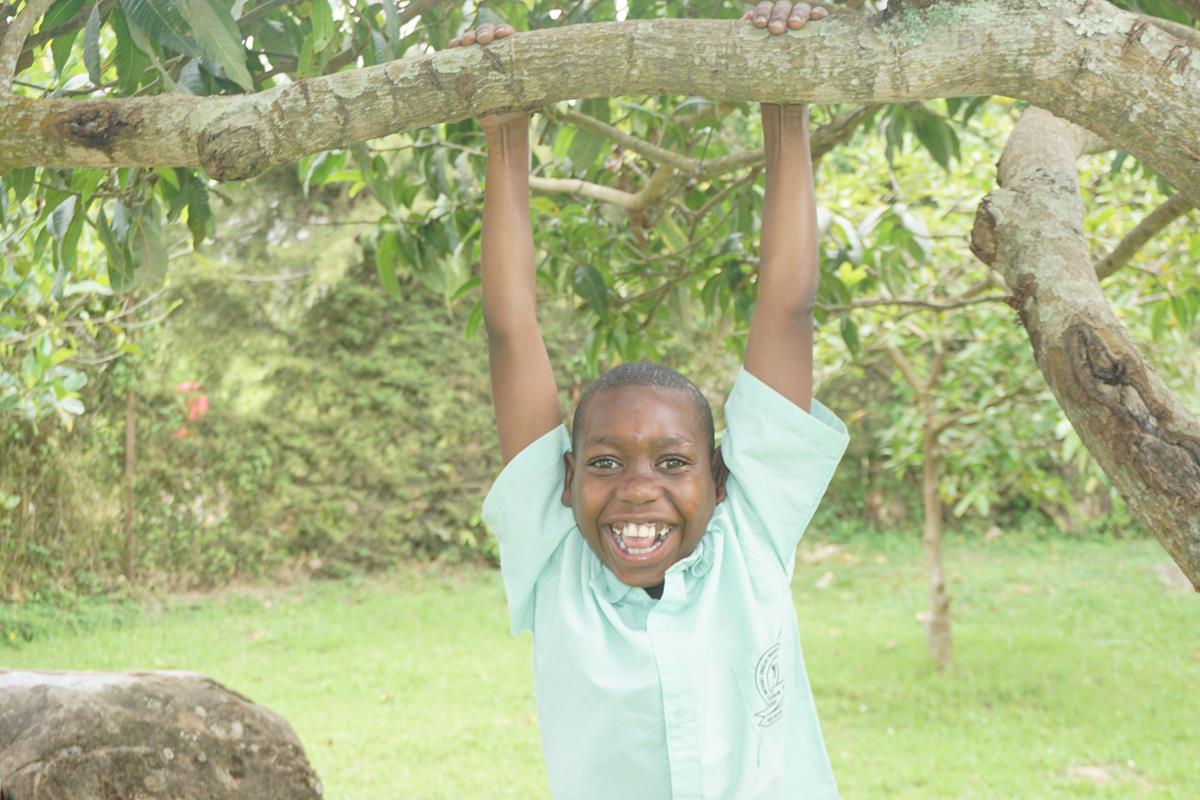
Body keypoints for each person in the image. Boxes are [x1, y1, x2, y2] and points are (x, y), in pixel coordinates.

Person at [454, 2, 848, 797]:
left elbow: (788, 308)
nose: (638, 489)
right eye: (605, 462)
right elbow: (510, 332)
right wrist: (503, 129)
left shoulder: (753, 535)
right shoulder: (554, 555)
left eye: (673, 462)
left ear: (722, 479)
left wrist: (786, 96)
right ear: (565, 479)